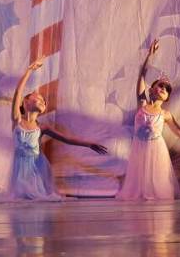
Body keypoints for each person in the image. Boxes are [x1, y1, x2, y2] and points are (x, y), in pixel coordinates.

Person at [117, 41, 180, 200]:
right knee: (138, 188)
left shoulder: (165, 114)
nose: (163, 89)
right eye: (160, 86)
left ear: (167, 97)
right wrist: (150, 56)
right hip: (140, 147)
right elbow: (141, 75)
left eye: (166, 89)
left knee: (158, 187)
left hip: (157, 149)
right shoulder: (142, 103)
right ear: (151, 89)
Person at [7, 59, 107, 200]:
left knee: (37, 197)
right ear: (25, 102)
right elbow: (18, 92)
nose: (42, 101)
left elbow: (67, 138)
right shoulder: (17, 120)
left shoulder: (41, 127)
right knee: (22, 197)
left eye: (43, 101)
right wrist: (29, 70)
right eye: (38, 97)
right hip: (20, 167)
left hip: (37, 166)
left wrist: (88, 144)